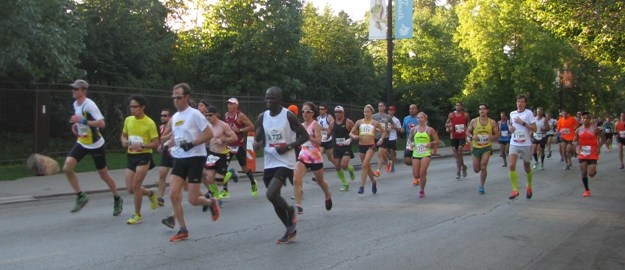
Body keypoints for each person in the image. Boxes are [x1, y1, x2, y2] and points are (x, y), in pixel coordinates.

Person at [253, 86, 309, 244]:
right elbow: (258, 137)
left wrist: (289, 146)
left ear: (279, 99)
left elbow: (304, 136)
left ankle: (291, 210)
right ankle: (289, 229)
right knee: (274, 197)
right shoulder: (263, 117)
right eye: (267, 98)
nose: (268, 101)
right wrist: (256, 144)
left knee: (271, 194)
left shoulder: (288, 116)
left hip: (285, 161)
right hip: (269, 161)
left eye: (272, 98)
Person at [166, 83, 219, 242]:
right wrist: (167, 145)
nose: (175, 100)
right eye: (173, 97)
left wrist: (193, 143)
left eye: (179, 97)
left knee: (193, 199)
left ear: (187, 97)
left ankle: (210, 203)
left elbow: (209, 133)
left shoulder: (195, 114)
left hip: (195, 158)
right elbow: (176, 137)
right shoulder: (175, 117)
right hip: (180, 158)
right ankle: (183, 229)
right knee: (173, 194)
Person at [63, 79, 123, 215]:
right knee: (67, 167)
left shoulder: (90, 105)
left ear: (83, 91)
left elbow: (101, 124)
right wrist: (76, 127)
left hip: (96, 144)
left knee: (103, 174)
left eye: (76, 89)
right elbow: (81, 123)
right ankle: (80, 196)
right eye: (72, 88)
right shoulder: (75, 104)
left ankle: (117, 198)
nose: (73, 91)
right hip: (82, 142)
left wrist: (82, 121)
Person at [120, 94, 160, 224]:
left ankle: (137, 214)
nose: (132, 109)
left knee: (136, 185)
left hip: (144, 156)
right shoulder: (128, 120)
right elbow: (123, 135)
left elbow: (156, 143)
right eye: (131, 107)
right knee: (130, 189)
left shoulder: (149, 123)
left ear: (142, 107)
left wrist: (142, 145)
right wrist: (124, 141)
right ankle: (150, 193)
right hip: (131, 156)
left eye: (135, 107)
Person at [293, 102, 332, 214]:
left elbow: (319, 141)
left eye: (307, 111)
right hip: (303, 155)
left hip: (314, 157)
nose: (305, 113)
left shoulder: (316, 125)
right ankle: (298, 205)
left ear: (313, 113)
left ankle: (327, 195)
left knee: (320, 181)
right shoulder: (301, 125)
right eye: (303, 111)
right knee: (296, 179)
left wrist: (308, 137)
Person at [203, 106, 238, 208]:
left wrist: (222, 140)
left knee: (219, 182)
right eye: (206, 116)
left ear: (215, 114)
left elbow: (234, 137)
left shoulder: (223, 125)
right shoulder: (207, 126)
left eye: (210, 115)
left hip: (222, 154)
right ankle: (217, 199)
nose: (208, 117)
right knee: (209, 178)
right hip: (211, 154)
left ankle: (231, 173)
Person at [223, 97, 258, 197]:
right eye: (228, 104)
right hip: (229, 145)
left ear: (236, 105)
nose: (229, 106)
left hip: (238, 145)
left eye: (231, 104)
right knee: (223, 167)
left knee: (244, 168)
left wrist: (240, 130)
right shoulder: (226, 115)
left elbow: (251, 126)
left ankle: (253, 182)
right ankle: (225, 190)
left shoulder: (240, 115)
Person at [350, 104, 387, 194]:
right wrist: (354, 136)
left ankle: (361, 186)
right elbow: (351, 133)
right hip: (361, 146)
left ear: (371, 113)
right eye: (365, 112)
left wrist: (381, 139)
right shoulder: (359, 122)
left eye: (368, 112)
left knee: (364, 165)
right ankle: (374, 182)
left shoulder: (375, 123)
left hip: (370, 146)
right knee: (367, 166)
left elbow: (384, 132)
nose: (366, 113)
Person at [507, 95, 537, 200]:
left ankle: (529, 186)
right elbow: (511, 126)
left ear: (525, 103)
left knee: (527, 168)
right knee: (511, 165)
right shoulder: (512, 113)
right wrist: (510, 129)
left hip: (526, 144)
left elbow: (535, 129)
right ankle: (515, 190)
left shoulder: (528, 113)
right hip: (514, 143)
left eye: (522, 102)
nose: (520, 103)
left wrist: (523, 123)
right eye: (518, 101)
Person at [466, 104, 499, 194]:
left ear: (487, 110)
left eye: (484, 109)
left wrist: (492, 137)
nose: (482, 111)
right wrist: (472, 136)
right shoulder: (474, 121)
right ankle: (480, 174)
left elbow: (497, 134)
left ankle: (481, 186)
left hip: (486, 147)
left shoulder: (492, 122)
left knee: (483, 166)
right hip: (476, 147)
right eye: (480, 109)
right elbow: (467, 132)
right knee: (476, 169)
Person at [573, 112, 605, 197]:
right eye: (583, 118)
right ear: (581, 120)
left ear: (590, 119)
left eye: (587, 118)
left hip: (592, 153)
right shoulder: (578, 130)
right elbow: (575, 140)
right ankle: (587, 190)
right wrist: (575, 146)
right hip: (582, 153)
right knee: (583, 173)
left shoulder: (595, 129)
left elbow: (603, 138)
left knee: (590, 173)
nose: (585, 119)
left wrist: (599, 147)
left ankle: (593, 172)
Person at [408, 112, 439, 198]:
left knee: (422, 172)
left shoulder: (430, 130)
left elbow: (437, 141)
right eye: (418, 118)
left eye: (421, 118)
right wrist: (411, 143)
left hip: (426, 153)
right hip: (416, 153)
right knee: (416, 175)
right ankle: (422, 175)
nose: (419, 119)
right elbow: (409, 140)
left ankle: (421, 190)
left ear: (425, 119)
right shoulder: (414, 129)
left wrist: (431, 143)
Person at [331, 105, 356, 191]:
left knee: (344, 165)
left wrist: (350, 139)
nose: (337, 114)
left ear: (343, 113)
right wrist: (324, 138)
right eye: (335, 112)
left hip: (346, 147)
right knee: (337, 167)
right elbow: (327, 133)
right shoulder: (332, 123)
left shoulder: (348, 122)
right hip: (337, 147)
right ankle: (345, 184)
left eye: (339, 112)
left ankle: (350, 169)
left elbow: (356, 133)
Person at [445, 102, 469, 179]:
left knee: (460, 150)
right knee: (457, 154)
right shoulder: (451, 115)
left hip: (462, 135)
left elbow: (468, 124)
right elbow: (446, 124)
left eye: (459, 106)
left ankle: (458, 171)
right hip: (453, 135)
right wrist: (448, 127)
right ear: (455, 107)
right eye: (456, 105)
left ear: (462, 107)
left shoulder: (465, 115)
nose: (458, 107)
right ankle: (463, 166)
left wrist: (467, 130)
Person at [156, 108, 173, 207]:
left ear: (170, 117)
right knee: (162, 173)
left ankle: (212, 192)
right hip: (167, 152)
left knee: (204, 174)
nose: (162, 117)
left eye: (165, 115)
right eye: (161, 115)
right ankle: (160, 197)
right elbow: (162, 139)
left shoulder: (176, 125)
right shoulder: (161, 127)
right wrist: (160, 145)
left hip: (177, 152)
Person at [371, 101, 393, 176]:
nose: (380, 107)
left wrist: (390, 127)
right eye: (379, 106)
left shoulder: (388, 116)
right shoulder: (374, 116)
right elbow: (370, 124)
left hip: (384, 137)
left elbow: (393, 124)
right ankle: (388, 162)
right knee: (382, 153)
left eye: (381, 106)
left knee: (380, 154)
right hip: (376, 136)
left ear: (384, 107)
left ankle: (378, 171)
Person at [401, 104, 420, 185]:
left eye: (413, 109)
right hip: (409, 143)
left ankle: (416, 179)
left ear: (417, 110)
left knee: (415, 159)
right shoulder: (406, 118)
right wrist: (401, 129)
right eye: (410, 109)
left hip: (419, 143)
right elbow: (403, 128)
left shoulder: (419, 118)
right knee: (407, 161)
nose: (411, 110)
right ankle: (418, 165)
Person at [387, 106, 402, 173]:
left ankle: (392, 166)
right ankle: (390, 160)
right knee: (385, 151)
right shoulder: (385, 118)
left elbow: (400, 129)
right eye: (389, 110)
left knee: (392, 151)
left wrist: (394, 127)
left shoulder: (396, 120)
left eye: (392, 110)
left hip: (393, 137)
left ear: (394, 111)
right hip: (386, 137)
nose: (391, 111)